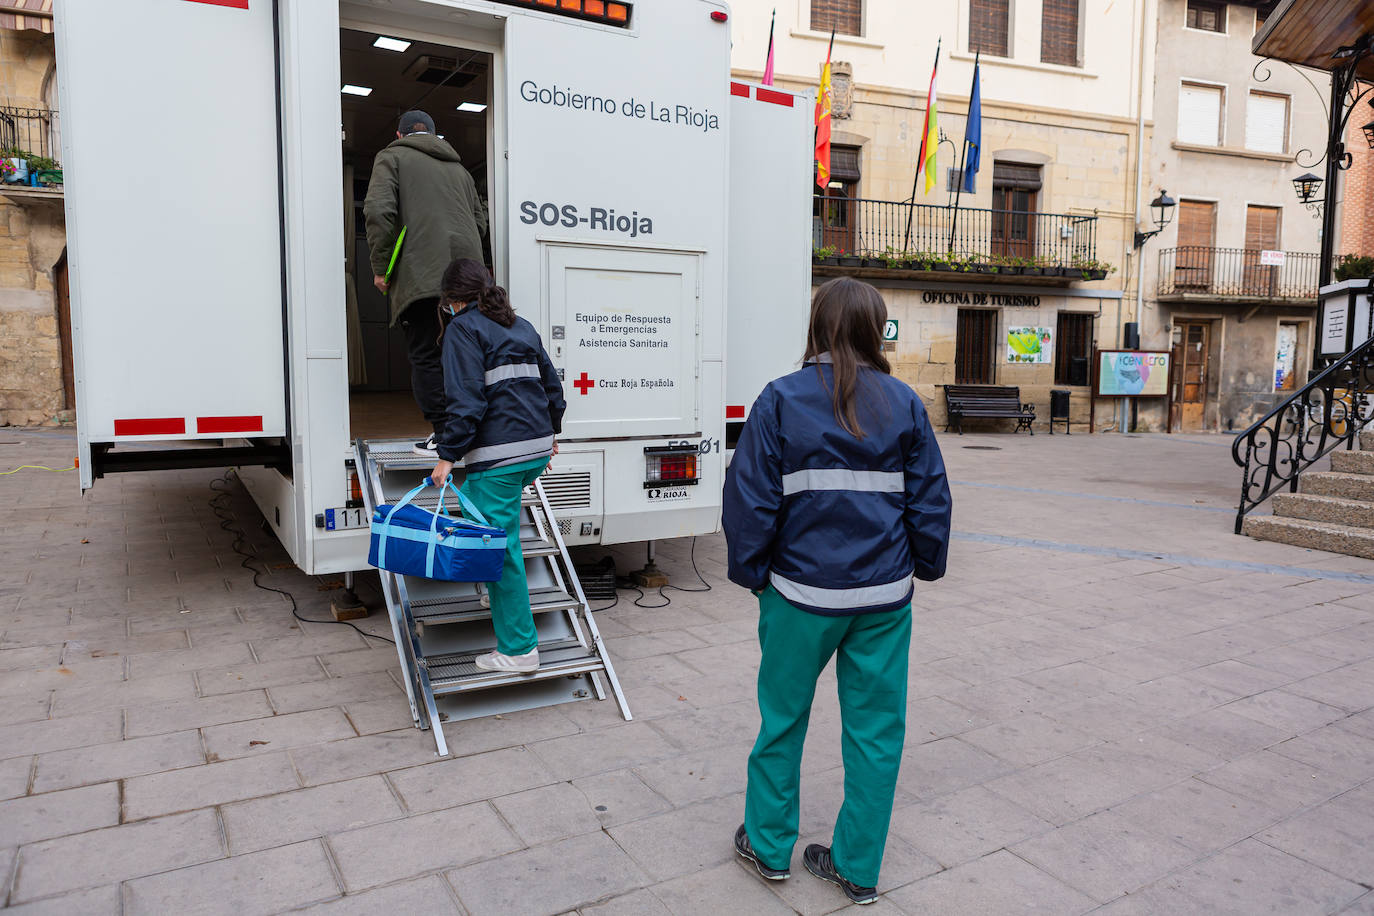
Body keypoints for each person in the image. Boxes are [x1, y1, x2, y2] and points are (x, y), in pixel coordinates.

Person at [722, 276, 953, 905]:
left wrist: (752, 572)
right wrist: (924, 566)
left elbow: (749, 499)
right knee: (876, 731)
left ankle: (768, 848)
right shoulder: (904, 403)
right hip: (883, 599)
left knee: (782, 719)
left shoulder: (779, 400)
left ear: (818, 326)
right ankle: (855, 866)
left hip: (799, 594)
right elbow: (930, 499)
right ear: (874, 329)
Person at [428, 259, 566, 674]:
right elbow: (551, 386)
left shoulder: (462, 329)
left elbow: (467, 402)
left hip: (500, 455)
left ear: (453, 301)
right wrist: (550, 432)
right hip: (535, 448)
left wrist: (447, 455)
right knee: (477, 508)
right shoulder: (520, 325)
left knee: (502, 551)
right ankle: (492, 587)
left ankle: (519, 650)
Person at [365, 110, 487, 457]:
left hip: (423, 277)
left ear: (400, 135)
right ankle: (471, 430)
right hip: (469, 279)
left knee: (427, 355)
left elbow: (378, 211)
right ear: (436, 136)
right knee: (465, 355)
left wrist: (381, 267)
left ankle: (447, 436)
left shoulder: (392, 157)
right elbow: (479, 223)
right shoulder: (460, 170)